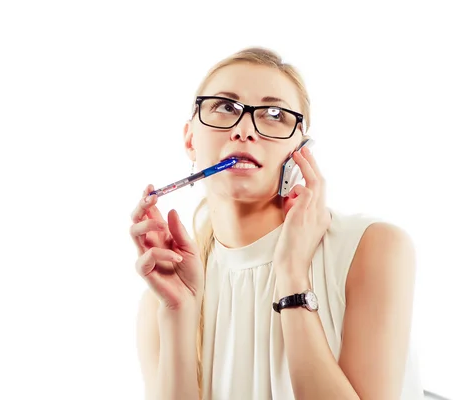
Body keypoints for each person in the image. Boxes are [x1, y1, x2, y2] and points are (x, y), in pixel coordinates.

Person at [129, 47, 424, 400]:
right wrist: (179, 312)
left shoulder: (374, 248)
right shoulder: (165, 297)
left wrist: (291, 274)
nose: (243, 130)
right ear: (191, 139)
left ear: (301, 149)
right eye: (225, 107)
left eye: (274, 114)